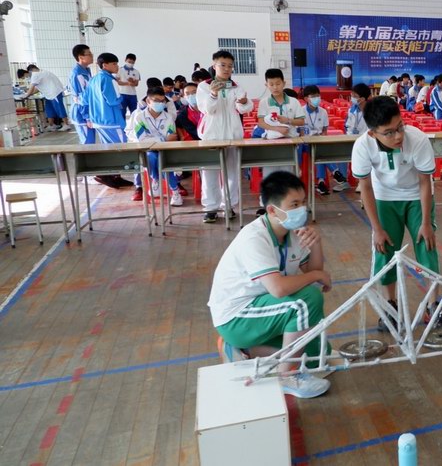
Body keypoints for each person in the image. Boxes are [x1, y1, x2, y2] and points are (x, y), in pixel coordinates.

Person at [208, 171, 333, 399]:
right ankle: (286, 377)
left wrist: (316, 244)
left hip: (263, 310)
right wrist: (316, 274)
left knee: (319, 352)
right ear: (272, 210)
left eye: (303, 202)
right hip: (236, 316)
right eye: (294, 204)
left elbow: (314, 273)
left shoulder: (292, 233)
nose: (301, 209)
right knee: (307, 301)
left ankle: (244, 350)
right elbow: (279, 288)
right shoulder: (254, 237)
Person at [351, 96, 442, 330]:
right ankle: (390, 306)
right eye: (389, 132)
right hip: (384, 199)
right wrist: (377, 229)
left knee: (427, 246)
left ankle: (433, 306)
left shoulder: (418, 139)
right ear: (373, 133)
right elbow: (366, 187)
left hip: (416, 196)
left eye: (400, 127)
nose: (398, 136)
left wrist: (425, 222)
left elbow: (425, 182)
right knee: (384, 251)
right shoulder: (363, 146)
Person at [196, 50, 252, 224]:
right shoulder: (204, 86)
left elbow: (245, 109)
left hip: (233, 136)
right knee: (210, 172)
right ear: (214, 66)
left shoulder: (236, 86)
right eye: (223, 65)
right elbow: (206, 109)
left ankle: (229, 206)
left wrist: (244, 103)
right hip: (211, 136)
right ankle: (211, 208)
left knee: (232, 173)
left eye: (230, 66)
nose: (227, 69)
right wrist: (213, 94)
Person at [128, 87, 183, 206]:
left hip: (165, 150)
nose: (160, 103)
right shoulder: (139, 117)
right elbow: (142, 140)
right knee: (152, 156)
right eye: (156, 100)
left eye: (162, 101)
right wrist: (162, 139)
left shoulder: (168, 118)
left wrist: (156, 140)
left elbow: (172, 138)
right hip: (149, 150)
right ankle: (162, 184)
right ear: (148, 101)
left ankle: (173, 191)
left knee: (163, 159)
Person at [301, 85, 349, 194]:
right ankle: (335, 171)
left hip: (319, 141)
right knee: (318, 151)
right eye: (313, 96)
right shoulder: (301, 112)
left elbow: (324, 131)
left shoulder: (323, 112)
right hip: (305, 142)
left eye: (318, 96)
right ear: (306, 99)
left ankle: (321, 182)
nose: (316, 98)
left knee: (319, 150)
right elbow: (301, 132)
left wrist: (320, 138)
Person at [84, 53, 128, 144]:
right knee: (121, 149)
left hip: (98, 121)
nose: (117, 66)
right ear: (105, 65)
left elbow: (85, 99)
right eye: (114, 64)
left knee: (108, 148)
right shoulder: (109, 80)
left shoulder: (93, 79)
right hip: (111, 122)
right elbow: (113, 101)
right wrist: (122, 97)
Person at [22, 64, 69, 131]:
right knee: (49, 109)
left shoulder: (35, 74)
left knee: (59, 108)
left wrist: (26, 96)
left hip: (55, 93)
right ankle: (52, 125)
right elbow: (37, 89)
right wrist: (29, 93)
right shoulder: (43, 72)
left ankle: (66, 124)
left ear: (30, 71)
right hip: (49, 94)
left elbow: (31, 88)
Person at [68, 44, 96, 144]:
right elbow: (80, 98)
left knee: (91, 141)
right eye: (89, 54)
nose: (92, 55)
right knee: (87, 142)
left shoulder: (86, 71)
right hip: (81, 114)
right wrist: (87, 117)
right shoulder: (78, 74)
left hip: (88, 112)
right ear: (81, 57)